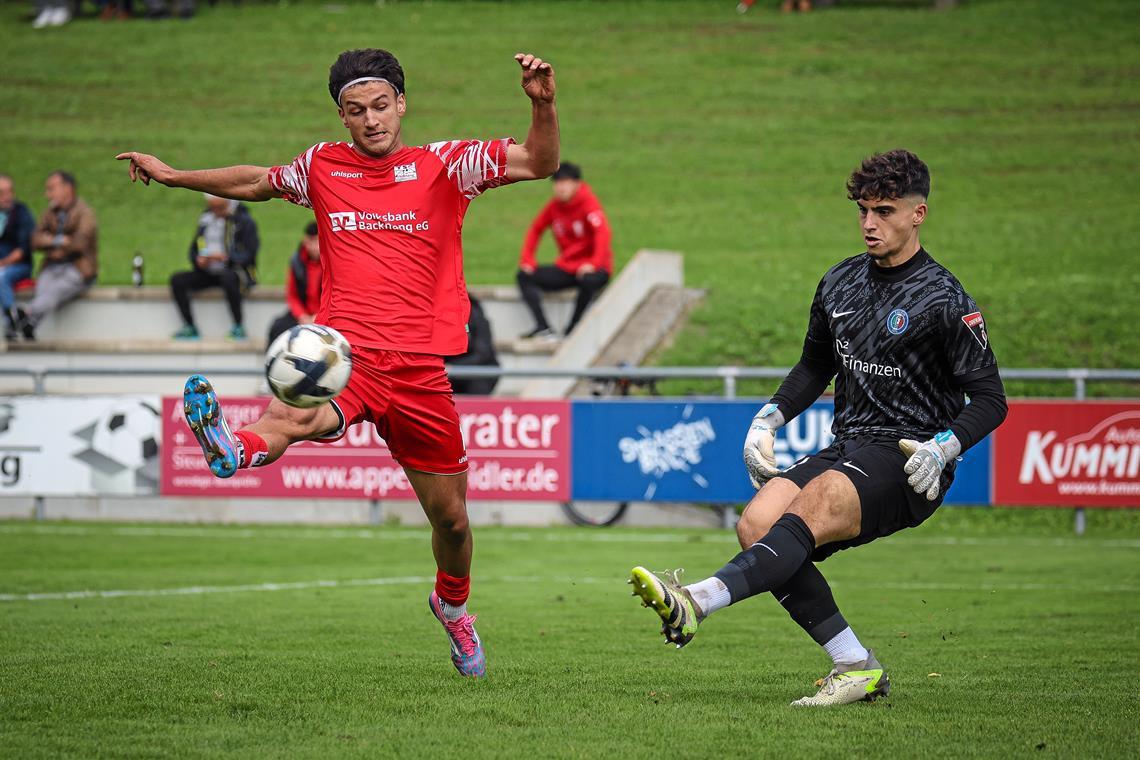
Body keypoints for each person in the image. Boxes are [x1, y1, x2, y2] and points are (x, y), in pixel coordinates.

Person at [117, 48, 559, 678]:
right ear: (342, 117)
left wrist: (541, 103)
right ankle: (231, 448)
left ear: (401, 104)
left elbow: (540, 163)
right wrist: (175, 175)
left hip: (420, 369)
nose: (372, 120)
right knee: (299, 420)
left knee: (454, 522)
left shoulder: (447, 165)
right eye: (357, 111)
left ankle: (453, 607)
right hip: (343, 353)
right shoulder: (322, 166)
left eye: (381, 106)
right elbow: (256, 183)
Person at [628, 150, 1008, 706]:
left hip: (908, 458)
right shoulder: (840, 282)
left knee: (817, 501)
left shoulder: (944, 298)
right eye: (862, 211)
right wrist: (769, 418)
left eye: (884, 211)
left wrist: (944, 447)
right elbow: (814, 367)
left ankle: (696, 600)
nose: (870, 223)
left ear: (918, 213)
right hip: (848, 444)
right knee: (757, 522)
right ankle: (854, 664)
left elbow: (992, 399)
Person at [516, 161, 612, 340]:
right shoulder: (554, 207)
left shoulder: (588, 202)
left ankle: (573, 330)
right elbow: (536, 228)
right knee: (524, 276)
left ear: (577, 184)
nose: (561, 188)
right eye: (557, 183)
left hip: (594, 269)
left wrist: (594, 263)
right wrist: (527, 259)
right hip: (569, 267)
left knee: (589, 281)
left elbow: (603, 232)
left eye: (565, 183)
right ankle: (543, 328)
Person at [16, 172, 98, 341]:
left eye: (51, 189)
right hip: (52, 266)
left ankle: (27, 313)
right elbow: (35, 240)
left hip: (78, 269)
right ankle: (29, 325)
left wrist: (52, 244)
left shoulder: (85, 213)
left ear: (67, 189)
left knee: (54, 290)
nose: (48, 194)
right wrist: (59, 240)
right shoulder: (49, 213)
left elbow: (80, 243)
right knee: (45, 289)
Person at [170, 193, 259, 340]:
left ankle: (238, 326)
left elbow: (250, 253)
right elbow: (194, 249)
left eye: (220, 207)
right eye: (213, 208)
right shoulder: (205, 220)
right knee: (177, 280)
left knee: (228, 278)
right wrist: (198, 259)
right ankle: (190, 326)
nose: (216, 211)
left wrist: (226, 258)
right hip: (208, 271)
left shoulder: (243, 221)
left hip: (234, 272)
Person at [266, 221, 321, 346]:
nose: (314, 247)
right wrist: (302, 316)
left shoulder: (333, 263)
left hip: (324, 315)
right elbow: (292, 295)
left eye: (318, 242)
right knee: (278, 327)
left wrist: (317, 317)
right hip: (303, 315)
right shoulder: (296, 262)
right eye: (310, 241)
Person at [0, 175, 37, 340]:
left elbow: (23, 249)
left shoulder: (21, 213)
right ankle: (17, 315)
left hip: (19, 266)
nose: (7, 197)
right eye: (2, 193)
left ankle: (11, 321)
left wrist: (3, 263)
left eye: (9, 192)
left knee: (1, 277)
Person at [447, 291, 499, 395]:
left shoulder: (478, 320)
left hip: (479, 370)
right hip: (449, 371)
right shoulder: (440, 320)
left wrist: (452, 367)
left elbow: (482, 354)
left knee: (476, 383)